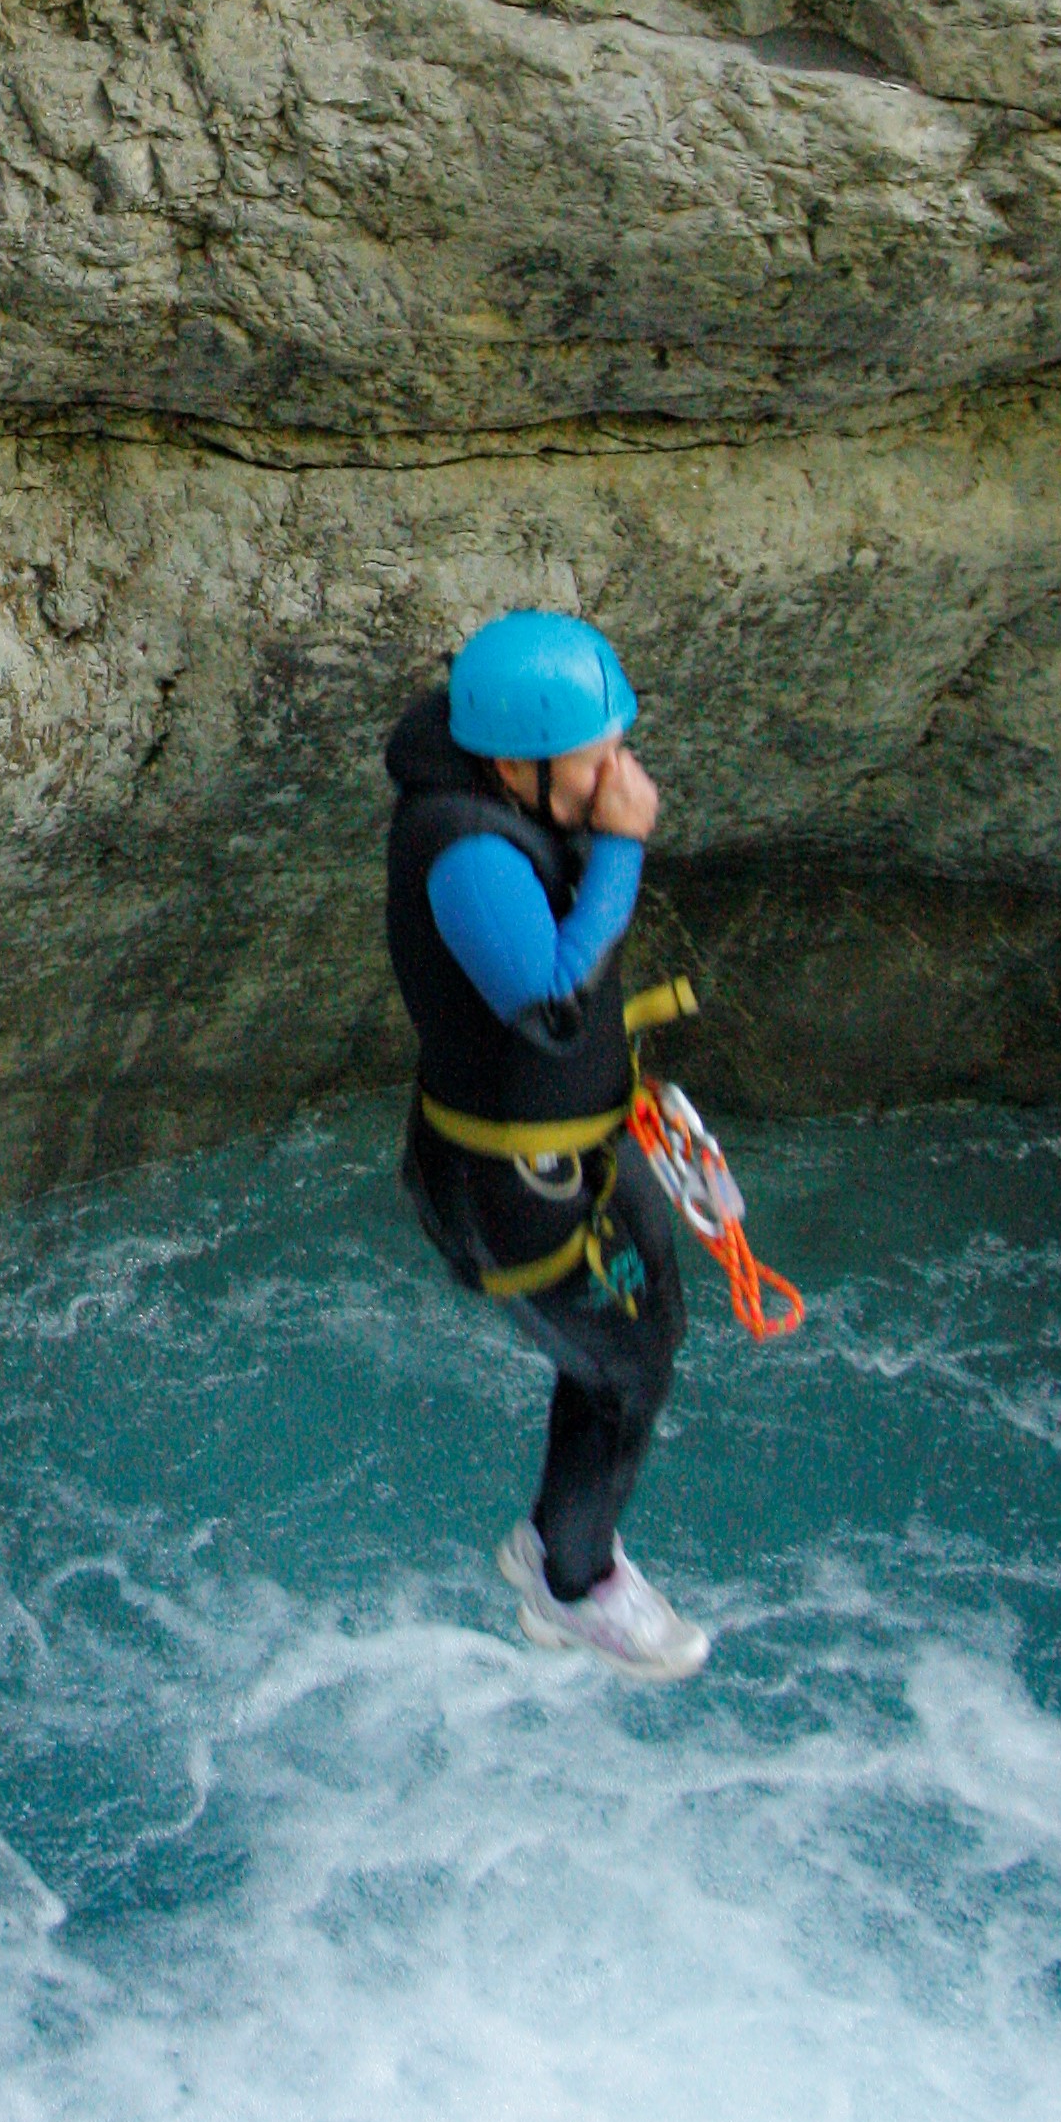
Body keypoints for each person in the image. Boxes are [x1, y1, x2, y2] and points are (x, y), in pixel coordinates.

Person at [383, 609, 712, 1678]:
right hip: (513, 1183)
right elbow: (552, 1000)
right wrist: (621, 844)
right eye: (598, 758)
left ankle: (564, 1557)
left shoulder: (502, 801)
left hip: (566, 1156)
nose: (623, 773)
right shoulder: (466, 851)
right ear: (515, 765)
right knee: (624, 1370)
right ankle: (571, 1578)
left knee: (643, 1341)